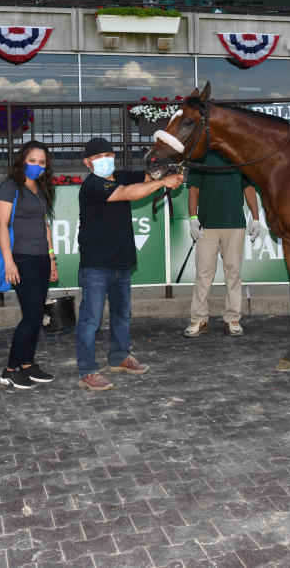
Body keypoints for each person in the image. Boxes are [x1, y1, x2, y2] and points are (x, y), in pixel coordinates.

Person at [76, 137, 184, 391]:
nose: (107, 160)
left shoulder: (121, 175)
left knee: (122, 313)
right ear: (88, 163)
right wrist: (163, 182)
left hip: (122, 261)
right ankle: (87, 371)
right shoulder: (92, 185)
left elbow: (145, 179)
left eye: (110, 155)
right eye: (100, 157)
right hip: (96, 264)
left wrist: (166, 166)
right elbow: (127, 194)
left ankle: (119, 357)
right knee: (90, 319)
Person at [0, 141, 58, 390]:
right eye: (32, 160)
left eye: (42, 162)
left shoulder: (40, 188)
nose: (37, 166)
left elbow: (45, 226)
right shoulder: (9, 186)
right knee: (31, 317)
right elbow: (1, 225)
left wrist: (52, 259)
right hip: (22, 257)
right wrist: (9, 262)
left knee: (36, 314)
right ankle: (10, 370)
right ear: (22, 160)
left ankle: (28, 364)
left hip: (41, 257)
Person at [184, 150, 261, 338]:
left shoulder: (239, 156)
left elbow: (249, 188)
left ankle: (232, 319)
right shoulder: (200, 158)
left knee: (233, 273)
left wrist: (256, 218)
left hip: (234, 224)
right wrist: (193, 218)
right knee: (203, 273)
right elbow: (193, 190)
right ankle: (199, 320)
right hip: (206, 226)